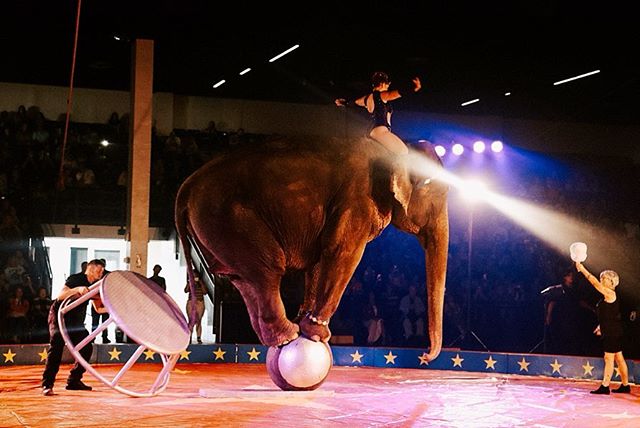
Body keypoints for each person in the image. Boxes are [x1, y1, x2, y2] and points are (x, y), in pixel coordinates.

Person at [41, 259, 106, 396]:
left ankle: (74, 380)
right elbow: (60, 296)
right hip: (61, 317)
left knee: (87, 347)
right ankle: (47, 384)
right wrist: (77, 289)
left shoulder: (94, 286)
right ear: (90, 268)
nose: (101, 273)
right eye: (99, 270)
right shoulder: (76, 279)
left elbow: (99, 309)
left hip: (76, 322)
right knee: (56, 347)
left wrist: (114, 309)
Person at [575, 262, 630, 394]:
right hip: (612, 330)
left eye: (604, 278)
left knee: (609, 358)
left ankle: (605, 386)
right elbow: (609, 315)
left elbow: (594, 283)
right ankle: (625, 385)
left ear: (612, 282)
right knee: (618, 357)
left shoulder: (610, 293)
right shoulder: (607, 296)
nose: (601, 280)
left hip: (612, 332)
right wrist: (600, 326)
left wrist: (582, 269)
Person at [335, 71, 421, 156]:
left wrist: (344, 103)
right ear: (382, 84)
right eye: (387, 85)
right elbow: (395, 94)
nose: (388, 87)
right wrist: (412, 88)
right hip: (381, 132)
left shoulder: (366, 98)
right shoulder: (382, 95)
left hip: (371, 132)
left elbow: (356, 102)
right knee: (403, 151)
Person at [91, 259, 111, 343]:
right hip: (97, 299)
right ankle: (93, 337)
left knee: (105, 322)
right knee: (95, 321)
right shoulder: (96, 275)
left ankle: (104, 337)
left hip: (105, 300)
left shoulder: (108, 275)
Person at [184, 275, 207, 344]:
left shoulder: (201, 283)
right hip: (191, 302)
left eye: (195, 275)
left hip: (199, 301)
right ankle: (189, 337)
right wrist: (190, 282)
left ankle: (198, 337)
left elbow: (205, 292)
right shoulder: (190, 282)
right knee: (190, 320)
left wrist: (200, 282)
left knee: (199, 320)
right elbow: (186, 290)